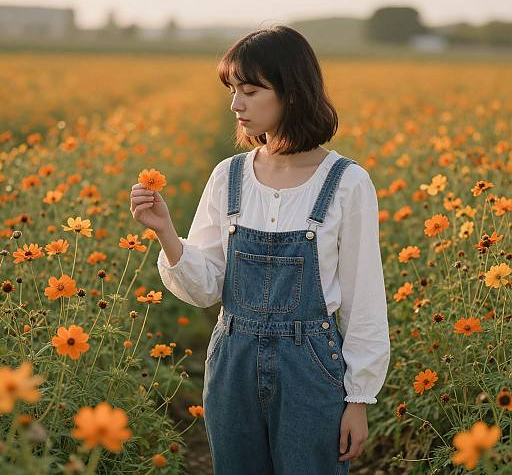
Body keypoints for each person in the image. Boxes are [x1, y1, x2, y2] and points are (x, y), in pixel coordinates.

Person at [130, 25, 390, 475]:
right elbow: (207, 287)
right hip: (232, 361)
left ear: (292, 93)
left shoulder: (347, 182)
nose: (235, 104)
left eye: (250, 90)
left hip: (311, 369)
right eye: (233, 90)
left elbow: (363, 300)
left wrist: (359, 399)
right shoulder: (228, 176)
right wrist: (166, 231)